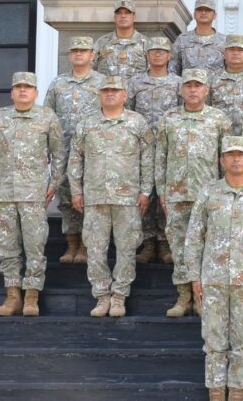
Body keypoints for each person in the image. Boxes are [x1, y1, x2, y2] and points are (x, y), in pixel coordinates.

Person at [185, 135, 243, 401]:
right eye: (231, 154)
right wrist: (194, 276)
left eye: (241, 154)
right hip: (213, 280)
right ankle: (216, 392)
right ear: (222, 160)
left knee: (242, 343)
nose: (236, 159)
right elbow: (194, 237)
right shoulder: (208, 193)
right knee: (214, 342)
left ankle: (237, 391)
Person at [67, 76, 155, 318]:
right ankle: (101, 295)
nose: (110, 94)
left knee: (127, 249)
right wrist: (76, 190)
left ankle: (119, 296)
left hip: (128, 198)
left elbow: (148, 159)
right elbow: (75, 159)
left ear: (125, 95)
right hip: (95, 197)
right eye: (105, 90)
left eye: (115, 90)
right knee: (95, 249)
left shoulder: (137, 123)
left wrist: (146, 191)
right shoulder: (87, 124)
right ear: (99, 94)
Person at [0, 72, 65, 317]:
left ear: (35, 93)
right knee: (7, 247)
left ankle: (31, 295)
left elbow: (59, 153)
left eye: (27, 87)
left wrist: (54, 184)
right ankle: (12, 296)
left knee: (34, 246)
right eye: (18, 87)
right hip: (4, 194)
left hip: (34, 193)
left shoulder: (47, 117)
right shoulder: (0, 116)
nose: (22, 91)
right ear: (11, 92)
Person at [155, 69, 233, 318]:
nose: (192, 90)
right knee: (179, 246)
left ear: (206, 90)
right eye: (188, 85)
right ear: (181, 89)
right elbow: (161, 157)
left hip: (209, 193)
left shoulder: (219, 119)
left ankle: (203, 297)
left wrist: (226, 190)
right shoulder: (168, 119)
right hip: (177, 193)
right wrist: (162, 191)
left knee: (208, 246)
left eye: (197, 86)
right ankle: (184, 296)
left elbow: (228, 159)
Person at [42, 36, 106, 264]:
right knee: (67, 199)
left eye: (83, 50)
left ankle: (87, 247)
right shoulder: (58, 84)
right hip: (64, 151)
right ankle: (72, 245)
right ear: (69, 55)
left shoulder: (102, 83)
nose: (78, 54)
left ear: (92, 55)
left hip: (93, 152)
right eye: (75, 50)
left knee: (90, 198)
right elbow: (47, 117)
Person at [128, 36, 182, 264]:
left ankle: (165, 242)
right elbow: (128, 111)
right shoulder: (135, 82)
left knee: (166, 193)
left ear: (170, 55)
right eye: (153, 51)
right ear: (147, 55)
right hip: (142, 145)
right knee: (144, 193)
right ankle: (148, 242)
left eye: (162, 51)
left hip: (170, 146)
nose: (158, 54)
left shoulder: (179, 83)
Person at [208, 34, 243, 135]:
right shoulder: (212, 78)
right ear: (224, 53)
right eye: (231, 49)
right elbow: (206, 108)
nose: (235, 53)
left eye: (240, 50)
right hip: (221, 135)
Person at [93, 0, 149, 79]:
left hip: (135, 90)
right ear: (114, 17)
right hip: (109, 90)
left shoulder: (146, 43)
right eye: (119, 13)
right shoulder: (102, 43)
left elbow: (153, 72)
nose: (123, 16)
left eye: (127, 12)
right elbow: (89, 69)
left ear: (134, 17)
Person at [170, 0, 226, 75]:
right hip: (191, 86)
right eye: (200, 10)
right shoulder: (182, 39)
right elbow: (172, 68)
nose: (203, 13)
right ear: (194, 14)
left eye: (208, 10)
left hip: (216, 86)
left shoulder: (224, 41)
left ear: (215, 15)